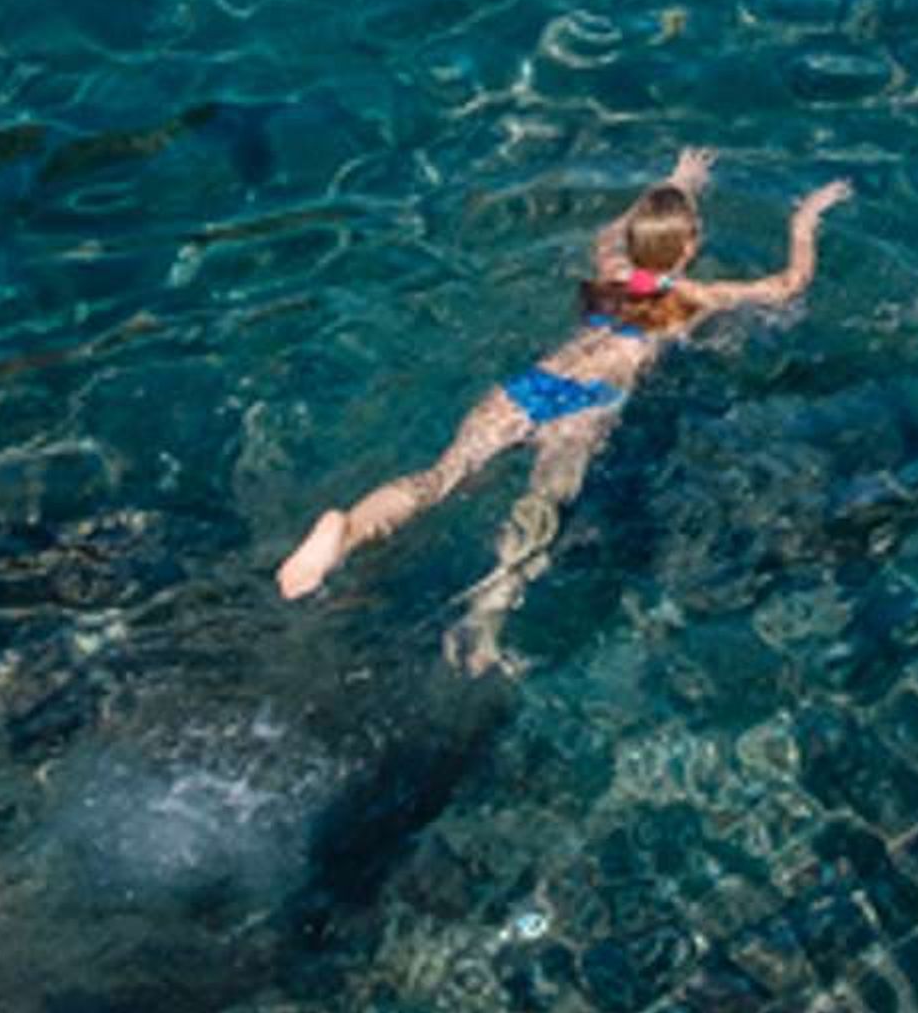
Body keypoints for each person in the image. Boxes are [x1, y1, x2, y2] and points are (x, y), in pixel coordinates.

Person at [275, 147, 851, 673]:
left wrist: (674, 183)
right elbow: (788, 285)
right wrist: (805, 222)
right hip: (587, 406)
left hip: (531, 386)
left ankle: (346, 532)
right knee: (539, 509)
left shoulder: (611, 266)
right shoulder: (695, 298)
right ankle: (484, 620)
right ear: (691, 246)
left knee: (440, 477)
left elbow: (619, 227)